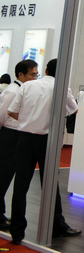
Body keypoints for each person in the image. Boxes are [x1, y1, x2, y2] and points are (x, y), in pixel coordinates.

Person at [6, 59, 81, 244]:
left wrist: (28, 120)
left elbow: (11, 111)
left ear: (46, 70)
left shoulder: (27, 86)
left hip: (24, 138)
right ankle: (56, 226)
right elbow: (74, 110)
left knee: (20, 186)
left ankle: (17, 231)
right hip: (46, 140)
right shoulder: (62, 88)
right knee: (50, 185)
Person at [0, 60, 38, 230]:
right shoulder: (12, 91)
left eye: (36, 74)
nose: (35, 78)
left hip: (16, 135)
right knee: (3, 175)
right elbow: (2, 115)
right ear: (21, 75)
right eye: (32, 75)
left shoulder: (23, 90)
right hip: (9, 135)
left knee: (7, 175)